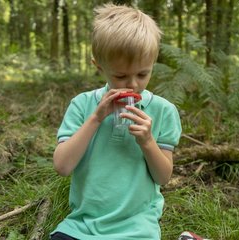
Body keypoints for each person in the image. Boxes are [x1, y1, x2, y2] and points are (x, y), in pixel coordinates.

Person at [50, 3, 181, 239]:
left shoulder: (163, 111)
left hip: (137, 228)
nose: (133, 84)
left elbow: (163, 177)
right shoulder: (82, 105)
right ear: (99, 67)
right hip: (82, 225)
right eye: (120, 76)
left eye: (142, 74)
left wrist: (148, 141)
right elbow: (62, 166)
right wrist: (96, 118)